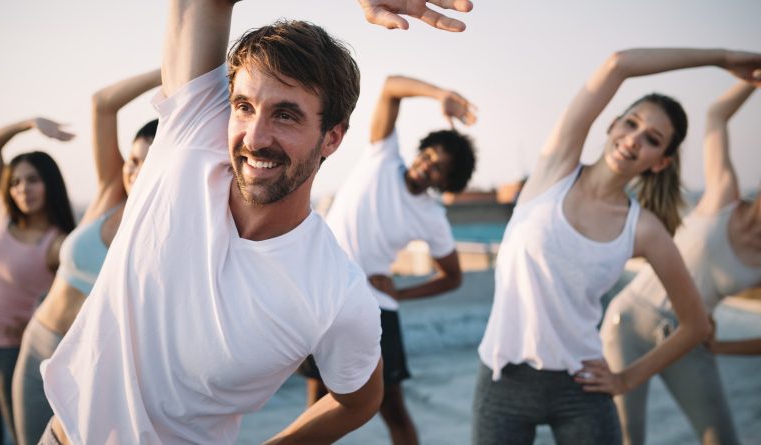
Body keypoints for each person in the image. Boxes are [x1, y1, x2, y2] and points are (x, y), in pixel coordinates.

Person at [39, 1, 474, 444]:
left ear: (332, 138)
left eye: (285, 114)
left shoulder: (337, 296)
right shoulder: (190, 135)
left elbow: (359, 400)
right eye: (244, 106)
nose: (254, 138)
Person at [474, 48, 761, 445]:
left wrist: (627, 378)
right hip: (502, 378)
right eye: (631, 124)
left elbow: (694, 324)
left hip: (582, 385)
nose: (633, 140)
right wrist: (721, 58)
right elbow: (618, 64)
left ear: (660, 161)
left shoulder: (643, 229)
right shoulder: (554, 168)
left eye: (651, 140)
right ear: (611, 125)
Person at [299, 75, 476, 445]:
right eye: (428, 155)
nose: (427, 165)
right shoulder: (382, 155)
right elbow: (392, 86)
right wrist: (440, 92)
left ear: (445, 181)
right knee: (316, 405)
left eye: (438, 168)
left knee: (390, 407)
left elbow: (453, 277)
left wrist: (401, 291)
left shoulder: (432, 217)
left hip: (375, 306)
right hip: (323, 291)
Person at [601, 79, 761, 445]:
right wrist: (754, 75)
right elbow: (717, 115)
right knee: (627, 438)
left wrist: (722, 348)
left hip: (690, 338)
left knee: (721, 438)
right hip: (628, 322)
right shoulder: (724, 195)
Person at [10, 69, 161, 445]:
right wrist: (173, 70)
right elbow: (102, 105)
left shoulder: (164, 233)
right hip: (37, 344)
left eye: (150, 163)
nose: (135, 171)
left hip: (87, 369)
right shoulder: (111, 194)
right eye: (133, 160)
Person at [0, 118, 75, 445]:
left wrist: (30, 325)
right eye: (16, 182)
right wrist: (30, 124)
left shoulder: (57, 243)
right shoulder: (5, 215)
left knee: (26, 437)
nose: (23, 188)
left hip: (7, 354)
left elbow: (69, 303)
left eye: (33, 180)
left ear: (49, 184)